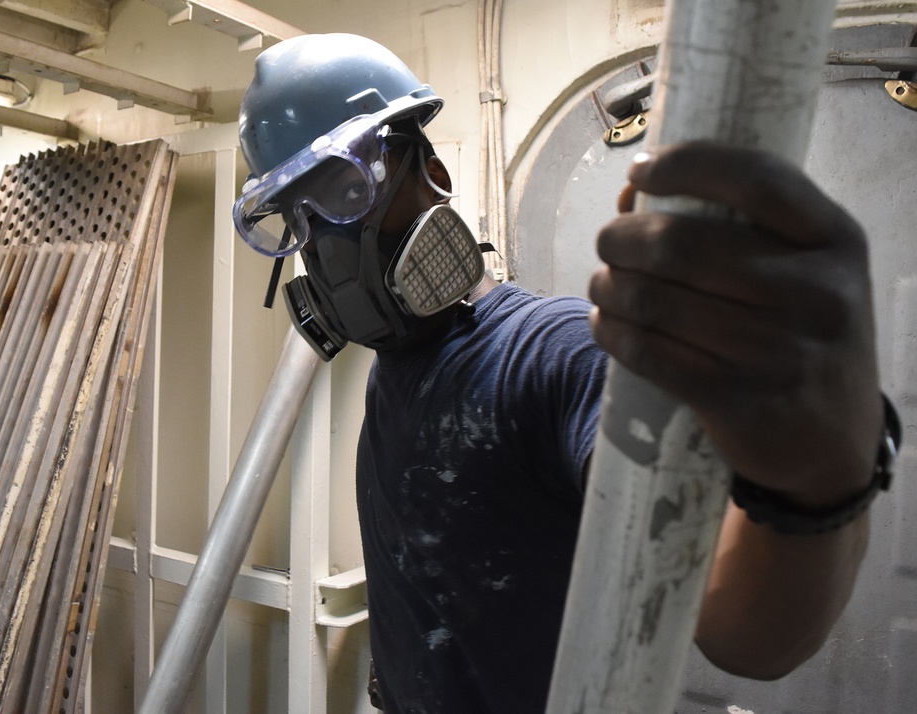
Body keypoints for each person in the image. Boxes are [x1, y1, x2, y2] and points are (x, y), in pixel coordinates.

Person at [232, 33, 899, 712]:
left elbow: (749, 633)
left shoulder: (556, 354)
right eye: (298, 219)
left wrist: (825, 476)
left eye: (348, 190)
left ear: (430, 171)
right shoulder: (394, 368)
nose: (327, 249)